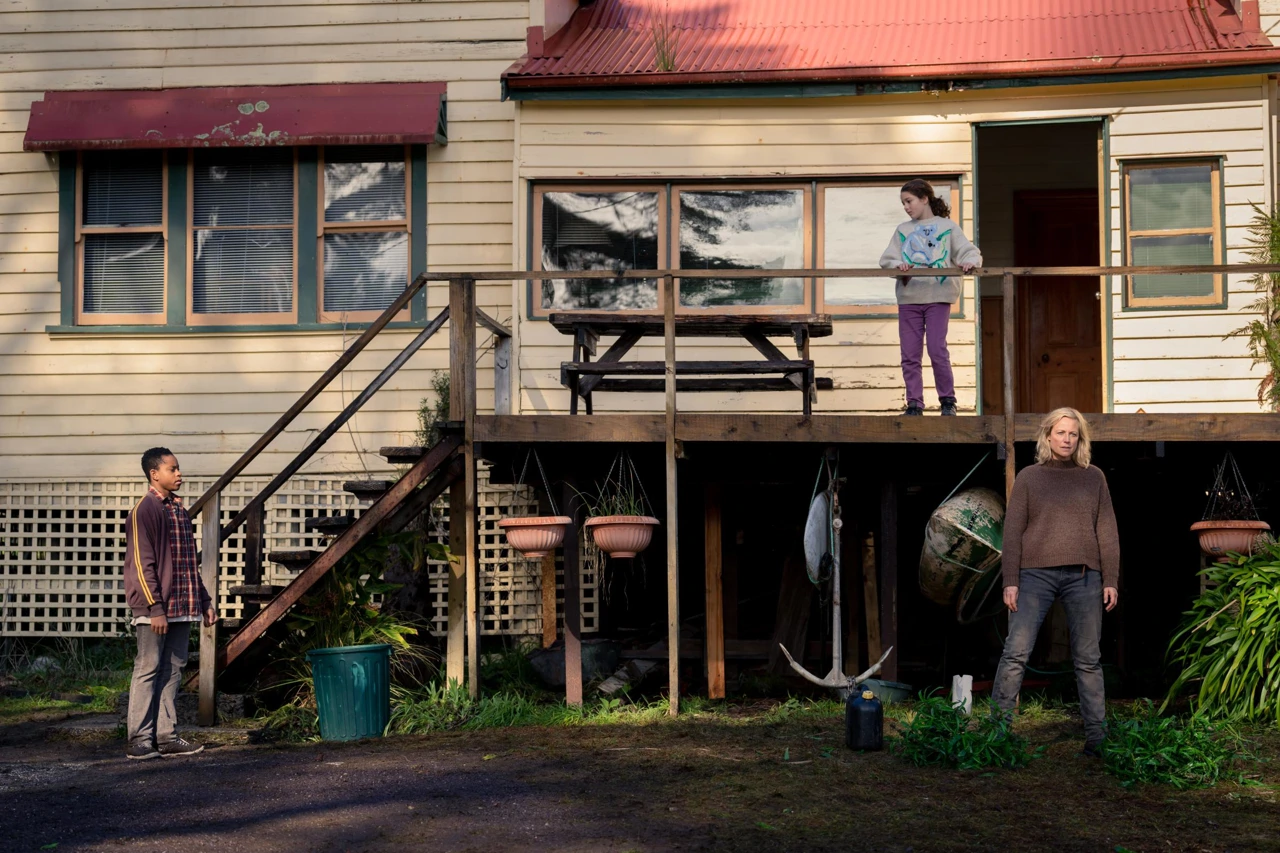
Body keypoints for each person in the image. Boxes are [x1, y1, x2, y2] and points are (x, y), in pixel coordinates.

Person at [993, 408, 1120, 757]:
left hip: (1084, 575)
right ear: (1048, 436)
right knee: (1016, 652)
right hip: (1035, 575)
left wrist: (1110, 577)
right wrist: (1011, 579)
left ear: (1081, 439)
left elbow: (1106, 531)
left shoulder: (1093, 477)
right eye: (1061, 433)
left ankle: (1097, 740)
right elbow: (1013, 531)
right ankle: (997, 735)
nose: (1067, 439)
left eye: (1073, 434)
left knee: (1088, 659)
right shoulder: (1030, 478)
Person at [123, 447, 217, 760]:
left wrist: (204, 600)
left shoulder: (177, 510)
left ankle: (166, 736)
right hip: (156, 608)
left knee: (173, 669)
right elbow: (141, 563)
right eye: (173, 469)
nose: (179, 474)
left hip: (183, 604)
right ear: (155, 474)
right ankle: (139, 739)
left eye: (178, 469)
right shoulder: (144, 510)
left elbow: (189, 562)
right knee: (148, 668)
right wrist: (155, 609)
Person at [878, 179, 982, 416]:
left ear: (924, 199)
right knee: (910, 353)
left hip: (938, 296)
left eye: (909, 201)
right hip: (909, 298)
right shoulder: (903, 230)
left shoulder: (947, 227)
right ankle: (914, 403)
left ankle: (947, 401)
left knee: (937, 348)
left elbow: (968, 251)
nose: (906, 207)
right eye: (903, 203)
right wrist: (899, 265)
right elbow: (887, 259)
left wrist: (970, 262)